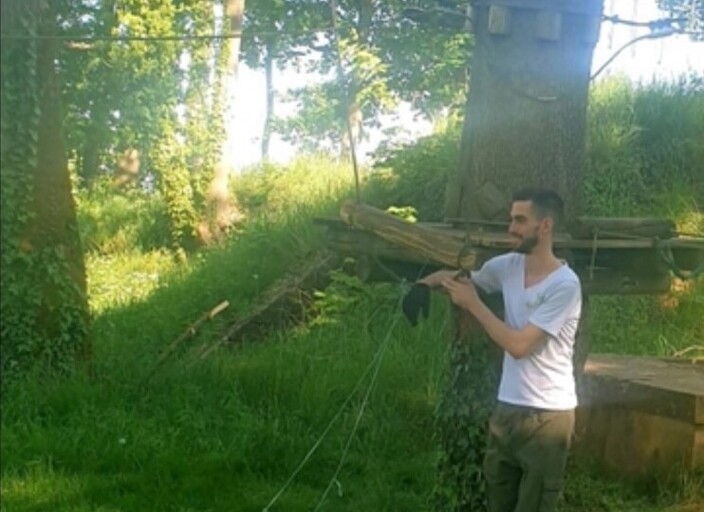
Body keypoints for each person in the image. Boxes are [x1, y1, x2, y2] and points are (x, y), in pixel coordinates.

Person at [420, 187, 582, 512]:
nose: (511, 228)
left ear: (545, 226)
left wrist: (475, 306)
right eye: (511, 219)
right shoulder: (507, 266)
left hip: (547, 418)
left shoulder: (564, 285)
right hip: (506, 410)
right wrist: (424, 284)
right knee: (498, 504)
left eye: (520, 220)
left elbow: (520, 346)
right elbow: (467, 281)